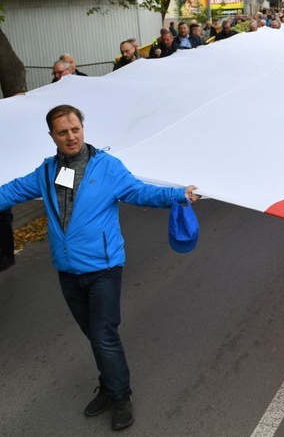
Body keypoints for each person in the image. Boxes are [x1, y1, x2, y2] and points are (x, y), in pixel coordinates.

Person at [0, 105, 200, 431]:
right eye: (62, 132)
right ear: (52, 136)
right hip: (68, 269)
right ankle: (109, 386)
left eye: (75, 129)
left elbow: (139, 191)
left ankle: (120, 395)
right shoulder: (47, 171)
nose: (71, 136)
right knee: (93, 334)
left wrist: (177, 194)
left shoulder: (107, 167)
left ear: (83, 128)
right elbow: (10, 191)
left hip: (104, 267)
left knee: (104, 335)